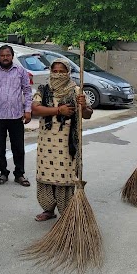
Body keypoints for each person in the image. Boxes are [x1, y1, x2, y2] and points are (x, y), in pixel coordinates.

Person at [31, 58, 92, 221]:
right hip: (47, 141)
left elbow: (87, 115)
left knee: (65, 175)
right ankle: (48, 210)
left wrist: (84, 106)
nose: (58, 74)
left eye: (62, 71)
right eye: (55, 71)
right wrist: (59, 110)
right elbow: (35, 109)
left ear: (68, 72)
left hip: (67, 143)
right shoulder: (44, 90)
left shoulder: (76, 91)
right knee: (46, 174)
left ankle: (67, 211)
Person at [0, 45, 33, 186]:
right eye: (2, 55)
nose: (5, 58)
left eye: (8, 55)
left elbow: (27, 91)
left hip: (16, 116)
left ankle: (19, 174)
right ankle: (3, 172)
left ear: (12, 56)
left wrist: (27, 110)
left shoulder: (21, 71)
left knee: (18, 147)